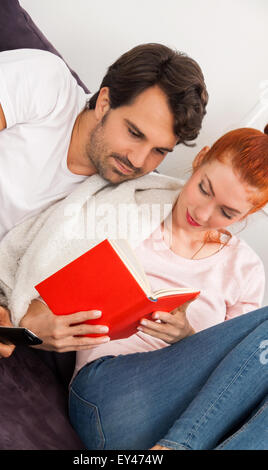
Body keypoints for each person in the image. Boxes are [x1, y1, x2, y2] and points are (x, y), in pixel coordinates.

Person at [0, 43, 208, 363]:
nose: (138, 160)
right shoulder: (43, 81)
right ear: (105, 102)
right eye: (134, 132)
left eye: (159, 151)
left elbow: (0, 267)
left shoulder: (110, 201)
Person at [66, 126, 268, 450]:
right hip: (107, 397)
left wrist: (187, 338)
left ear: (250, 213)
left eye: (227, 213)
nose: (202, 214)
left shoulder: (245, 269)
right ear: (200, 159)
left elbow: (237, 381)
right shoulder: (134, 210)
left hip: (183, 423)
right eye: (204, 189)